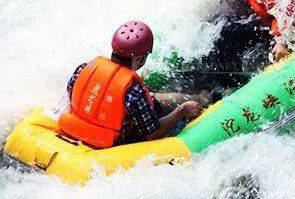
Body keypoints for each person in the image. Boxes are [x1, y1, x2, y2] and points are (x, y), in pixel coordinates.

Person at [58, 21, 203, 148]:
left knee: (151, 98)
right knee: (174, 116)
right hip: (110, 143)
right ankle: (202, 99)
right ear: (140, 59)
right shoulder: (134, 91)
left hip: (75, 130)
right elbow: (152, 133)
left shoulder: (83, 69)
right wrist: (181, 111)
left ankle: (200, 98)